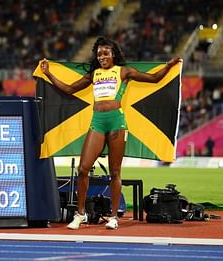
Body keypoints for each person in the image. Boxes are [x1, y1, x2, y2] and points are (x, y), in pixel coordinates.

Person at [40, 36, 181, 230]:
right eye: (99, 54)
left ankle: (114, 217)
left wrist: (168, 66)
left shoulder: (123, 71)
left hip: (117, 123)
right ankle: (80, 214)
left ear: (113, 54)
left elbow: (154, 79)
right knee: (83, 169)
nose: (102, 57)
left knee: (115, 172)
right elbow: (70, 89)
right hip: (97, 122)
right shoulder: (94, 74)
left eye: (105, 53)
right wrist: (48, 74)